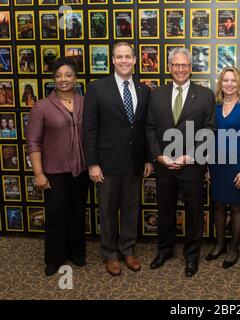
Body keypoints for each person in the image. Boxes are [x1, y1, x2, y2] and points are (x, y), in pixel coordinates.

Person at [83, 42, 153, 276]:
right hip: (106, 163)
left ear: (135, 60)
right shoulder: (97, 88)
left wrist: (147, 159)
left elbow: (143, 128)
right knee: (108, 210)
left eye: (128, 57)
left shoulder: (143, 90)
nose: (124, 61)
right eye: (119, 57)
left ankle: (128, 249)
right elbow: (89, 128)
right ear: (112, 60)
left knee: (131, 208)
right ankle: (110, 253)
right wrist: (92, 162)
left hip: (134, 162)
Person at [146, 47, 215, 277]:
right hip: (164, 166)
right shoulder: (155, 95)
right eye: (176, 65)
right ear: (169, 67)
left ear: (191, 68)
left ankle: (192, 256)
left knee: (194, 213)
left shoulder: (205, 95)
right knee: (165, 210)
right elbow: (150, 128)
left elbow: (210, 130)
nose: (181, 69)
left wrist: (191, 156)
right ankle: (164, 250)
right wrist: (158, 156)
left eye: (185, 65)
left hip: (192, 166)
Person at [26, 57, 90, 276]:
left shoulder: (85, 102)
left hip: (81, 170)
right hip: (53, 172)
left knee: (77, 212)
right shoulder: (41, 107)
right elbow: (33, 142)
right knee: (55, 214)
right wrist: (38, 173)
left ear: (76, 78)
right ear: (54, 78)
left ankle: (76, 252)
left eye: (68, 75)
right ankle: (54, 258)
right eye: (59, 75)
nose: (64, 79)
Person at [206, 66, 240, 268]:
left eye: (233, 80)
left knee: (236, 207)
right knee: (218, 205)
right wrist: (208, 166)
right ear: (221, 83)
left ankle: (233, 248)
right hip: (216, 164)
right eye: (226, 80)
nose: (229, 84)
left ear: (239, 83)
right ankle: (220, 244)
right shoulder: (215, 106)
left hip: (239, 165)